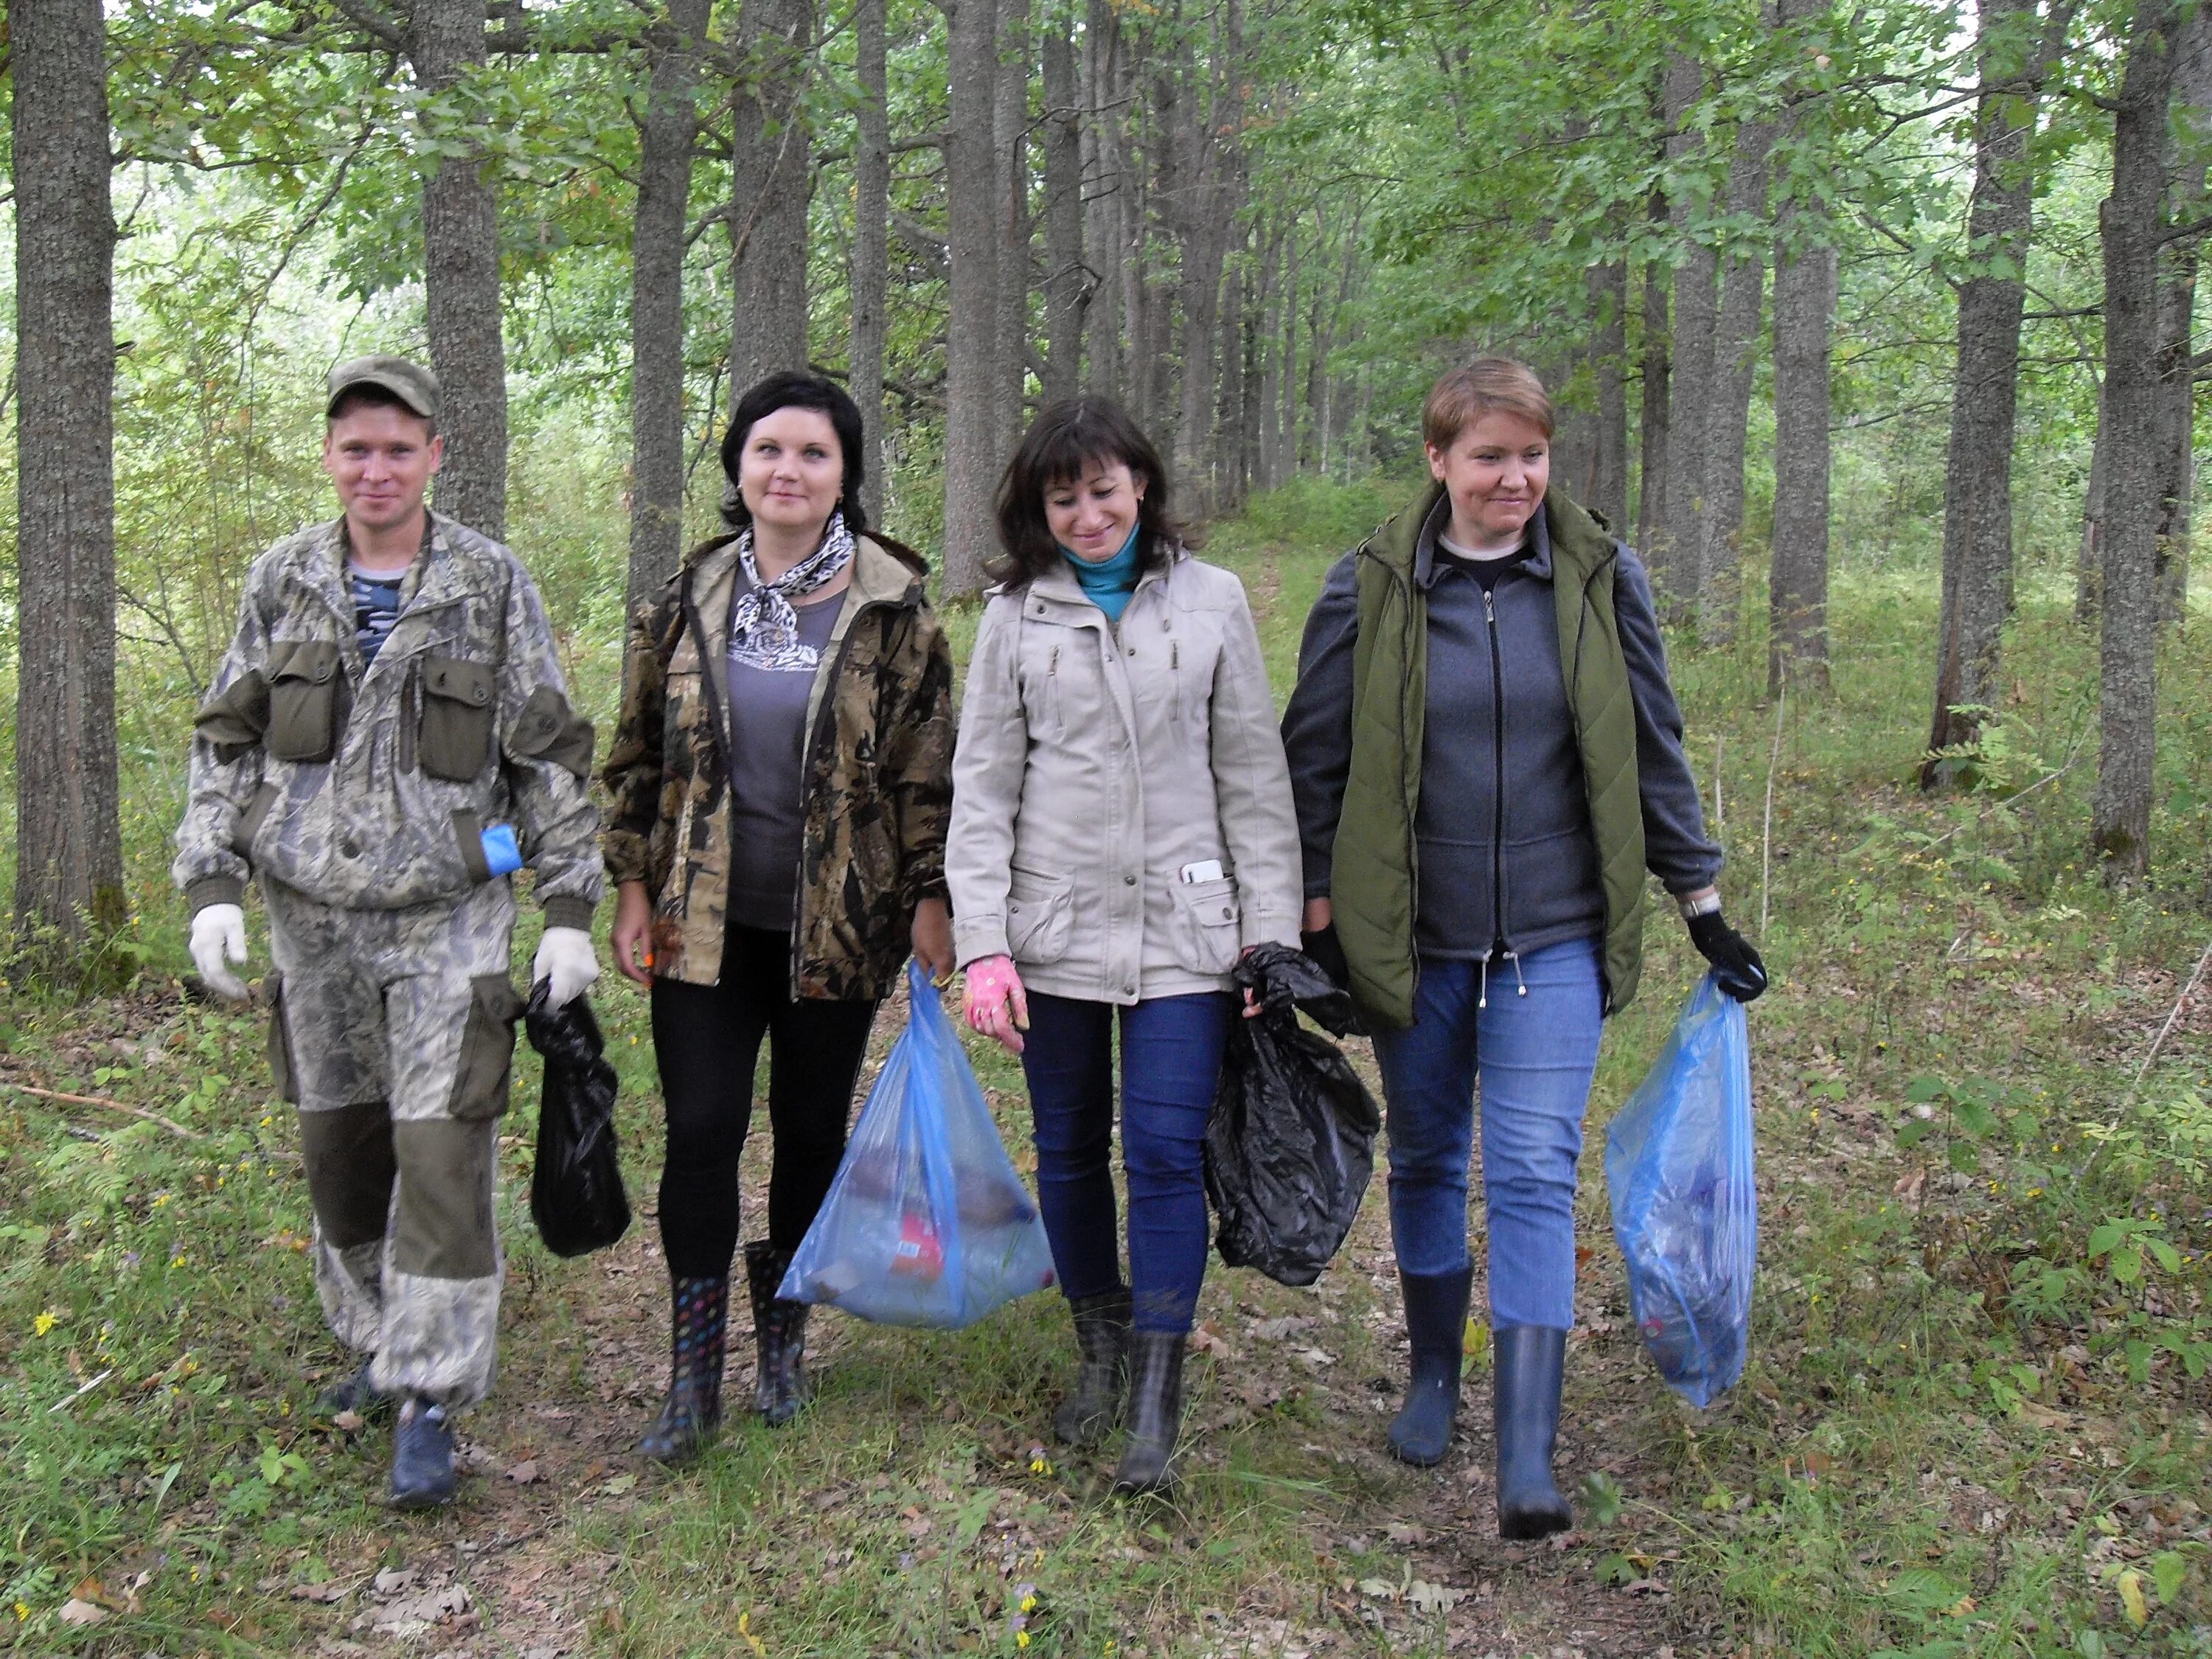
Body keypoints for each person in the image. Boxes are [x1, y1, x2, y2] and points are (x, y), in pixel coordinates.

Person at [1281, 358, 1767, 1537]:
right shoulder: (1371, 586)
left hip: (1553, 930)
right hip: (1416, 937)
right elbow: (1314, 759)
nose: (1515, 478)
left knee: (1538, 1171)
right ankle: (1435, 1375)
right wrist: (1302, 916)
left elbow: (1651, 745)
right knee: (1432, 1158)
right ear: (1440, 461)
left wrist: (1703, 907)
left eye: (1533, 456)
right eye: (1490, 457)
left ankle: (1527, 1451)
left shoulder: (1602, 578)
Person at [175, 355, 605, 1510]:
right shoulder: (282, 580)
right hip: (309, 926)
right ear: (329, 455)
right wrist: (211, 881)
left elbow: (549, 748)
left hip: (447, 924)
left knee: (442, 1152)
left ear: (435, 455)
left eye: (398, 448)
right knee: (343, 1155)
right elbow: (227, 735)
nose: (376, 468)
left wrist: (569, 911)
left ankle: (429, 1391)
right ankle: (374, 1336)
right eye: (355, 447)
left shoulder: (488, 582)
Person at [949, 397, 1303, 1493]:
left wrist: (1269, 938)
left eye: (1105, 489)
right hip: (1050, 932)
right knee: (1067, 1148)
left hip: (1186, 936)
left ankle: (1157, 1392)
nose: (1089, 512)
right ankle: (1098, 1349)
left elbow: (1253, 779)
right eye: (1066, 497)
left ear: (1141, 486)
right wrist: (983, 943)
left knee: (1159, 1152)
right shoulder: (1016, 614)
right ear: (1038, 508)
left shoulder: (1215, 602)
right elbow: (984, 786)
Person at [600, 370, 956, 1462]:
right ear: (737, 468)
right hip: (700, 924)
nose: (787, 471)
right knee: (702, 1131)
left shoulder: (893, 605)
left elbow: (924, 768)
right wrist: (625, 882)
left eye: (813, 453)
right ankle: (693, 1374)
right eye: (768, 451)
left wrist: (932, 893)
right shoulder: (685, 596)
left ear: (844, 473)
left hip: (836, 929)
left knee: (809, 1134)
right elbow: (633, 753)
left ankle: (784, 1343)